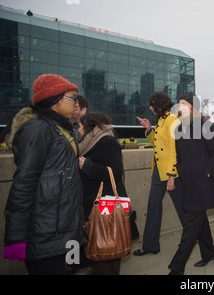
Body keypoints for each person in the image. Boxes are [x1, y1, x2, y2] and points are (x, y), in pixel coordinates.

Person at [3, 74, 85, 275]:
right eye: (72, 98)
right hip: (44, 232)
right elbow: (24, 183)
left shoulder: (61, 129)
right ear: (54, 99)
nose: (76, 104)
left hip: (62, 228)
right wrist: (16, 236)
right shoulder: (38, 129)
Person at [168, 92, 214, 275]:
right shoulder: (179, 129)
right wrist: (180, 172)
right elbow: (180, 156)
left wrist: (209, 173)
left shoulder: (204, 125)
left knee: (190, 227)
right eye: (179, 104)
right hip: (187, 183)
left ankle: (177, 267)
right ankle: (209, 253)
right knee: (199, 221)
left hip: (202, 184)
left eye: (184, 103)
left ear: (193, 107)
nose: (180, 107)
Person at [133, 92, 185, 256]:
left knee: (183, 209)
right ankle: (150, 246)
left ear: (160, 104)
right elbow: (158, 143)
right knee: (153, 206)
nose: (149, 107)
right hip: (157, 170)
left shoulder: (172, 120)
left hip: (171, 172)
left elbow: (174, 150)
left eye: (152, 104)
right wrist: (149, 129)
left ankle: (194, 236)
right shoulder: (161, 120)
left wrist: (171, 175)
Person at [77, 112, 129, 274]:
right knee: (104, 244)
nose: (78, 129)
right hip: (97, 199)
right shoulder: (90, 142)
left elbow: (115, 172)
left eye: (80, 126)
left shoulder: (106, 142)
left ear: (89, 126)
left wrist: (88, 167)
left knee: (107, 242)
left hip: (107, 201)